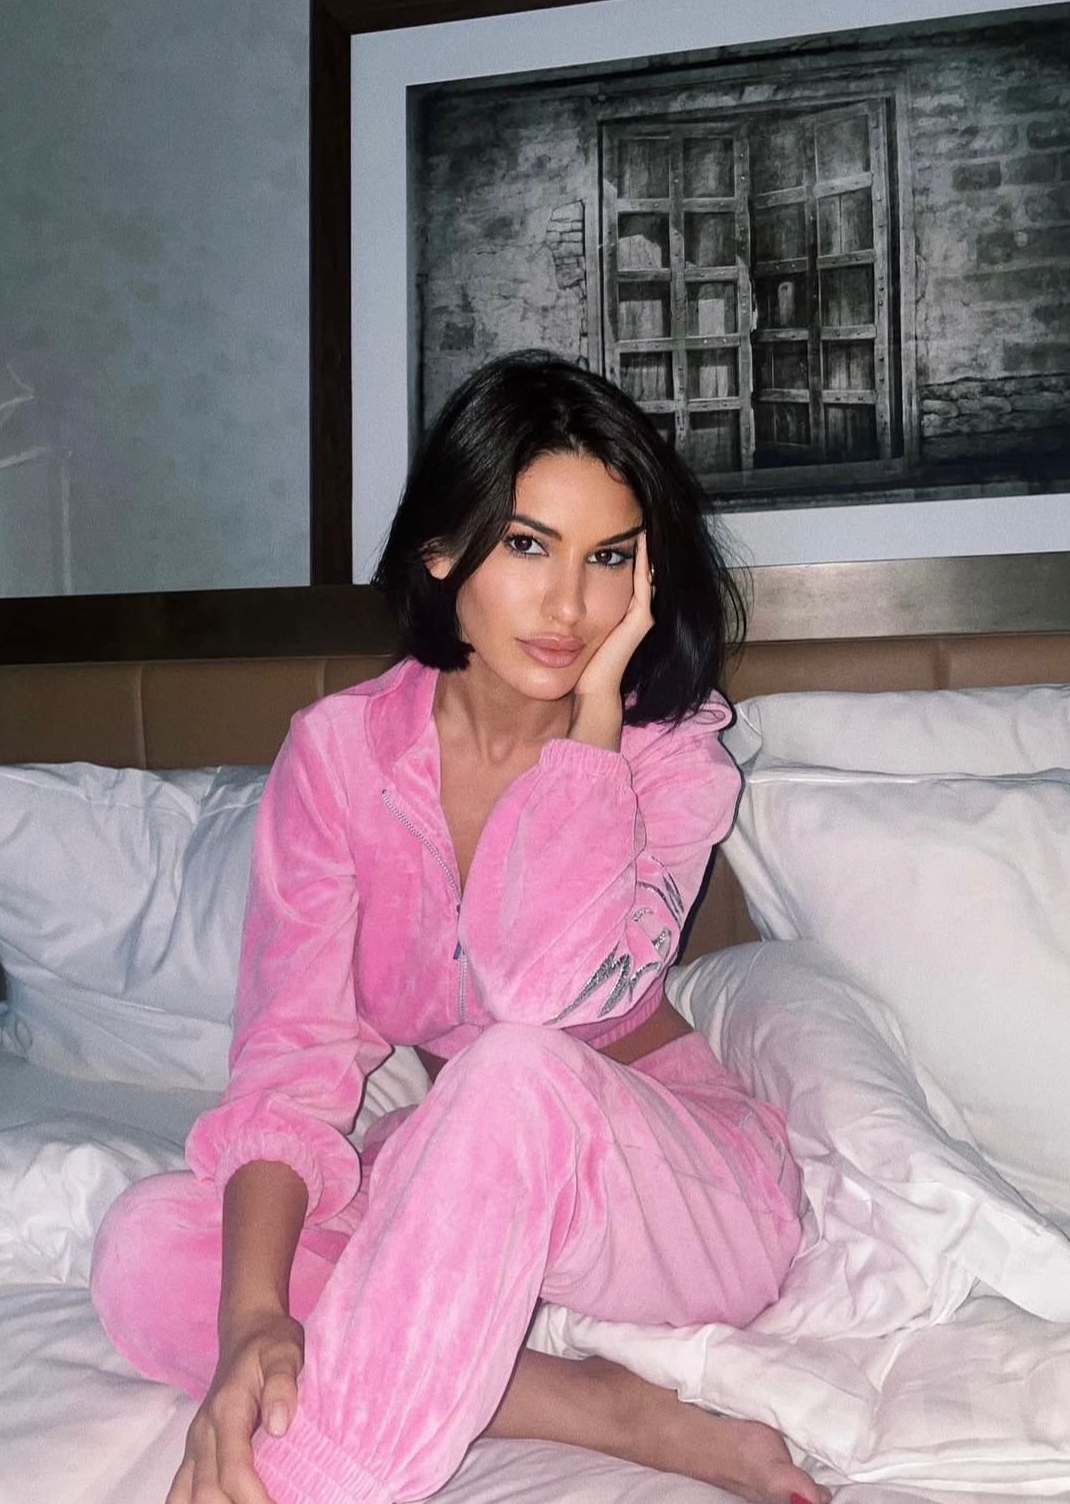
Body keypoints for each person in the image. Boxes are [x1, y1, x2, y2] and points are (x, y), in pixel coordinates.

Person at [91, 352, 828, 1504]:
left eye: (609, 558)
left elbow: (540, 993)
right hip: (461, 1171)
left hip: (681, 1194)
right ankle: (597, 1406)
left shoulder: (672, 755)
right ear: (441, 551)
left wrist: (593, 731)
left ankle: (311, 1484)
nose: (569, 607)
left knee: (512, 1068)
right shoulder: (338, 756)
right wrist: (251, 1327)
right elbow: (291, 1058)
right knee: (156, 1248)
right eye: (528, 546)